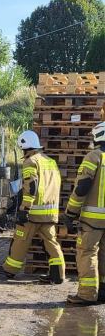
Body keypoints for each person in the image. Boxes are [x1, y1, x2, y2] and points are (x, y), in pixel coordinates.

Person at [0, 130, 65, 283]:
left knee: (20, 239)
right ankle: (58, 275)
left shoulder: (31, 162)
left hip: (33, 213)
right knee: (51, 243)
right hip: (49, 213)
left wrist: (25, 210)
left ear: (25, 146)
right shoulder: (50, 162)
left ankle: (9, 269)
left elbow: (31, 186)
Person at [64, 121, 105, 305]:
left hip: (93, 221)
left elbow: (82, 188)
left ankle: (87, 294)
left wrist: (70, 213)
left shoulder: (94, 156)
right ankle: (102, 292)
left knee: (87, 253)